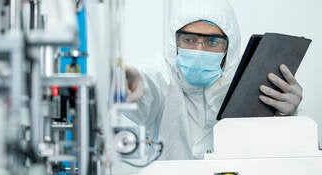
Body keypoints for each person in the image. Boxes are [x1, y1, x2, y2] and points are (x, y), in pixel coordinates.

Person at [124, 0, 303, 160]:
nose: (199, 50)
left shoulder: (250, 87)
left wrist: (286, 118)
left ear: (229, 47)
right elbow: (146, 84)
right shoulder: (162, 78)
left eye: (212, 42)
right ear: (175, 42)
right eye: (189, 39)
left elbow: (278, 155)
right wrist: (129, 80)